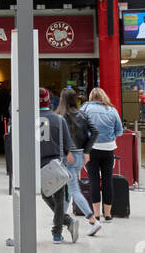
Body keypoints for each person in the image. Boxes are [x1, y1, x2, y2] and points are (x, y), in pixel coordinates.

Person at [56, 87, 98, 235]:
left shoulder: (61, 116)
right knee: (68, 188)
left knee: (73, 189)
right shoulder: (83, 114)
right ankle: (60, 217)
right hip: (80, 155)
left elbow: (62, 138)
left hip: (68, 156)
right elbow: (95, 132)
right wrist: (87, 151)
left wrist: (67, 151)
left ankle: (92, 219)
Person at [81, 86, 124, 226]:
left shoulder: (85, 108)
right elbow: (119, 131)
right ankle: (108, 214)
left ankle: (96, 214)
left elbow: (79, 126)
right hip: (108, 149)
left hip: (91, 148)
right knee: (107, 180)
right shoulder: (112, 110)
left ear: (91, 97)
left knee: (93, 180)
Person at [39, 87, 77, 244]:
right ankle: (58, 231)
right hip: (55, 163)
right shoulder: (59, 120)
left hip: (38, 164)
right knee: (59, 198)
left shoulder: (31, 119)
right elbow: (68, 145)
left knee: (45, 194)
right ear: (49, 100)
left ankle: (65, 223)